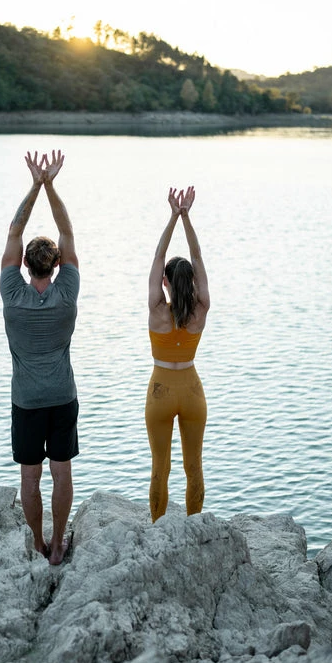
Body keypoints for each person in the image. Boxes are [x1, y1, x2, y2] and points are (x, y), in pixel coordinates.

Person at [0, 150, 79, 565]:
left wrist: (34, 184)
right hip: (62, 396)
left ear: (23, 265)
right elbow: (67, 231)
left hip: (27, 401)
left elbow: (14, 233)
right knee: (60, 471)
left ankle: (37, 540)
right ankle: (60, 541)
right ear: (58, 265)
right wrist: (52, 186)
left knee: (30, 476)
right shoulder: (67, 296)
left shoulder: (13, 297)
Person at [146, 186, 210, 522]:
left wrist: (172, 216)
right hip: (192, 391)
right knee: (193, 467)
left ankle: (157, 528)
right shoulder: (201, 309)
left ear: (167, 283)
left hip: (160, 391)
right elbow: (197, 257)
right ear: (193, 284)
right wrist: (188, 218)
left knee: (161, 467)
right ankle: (193, 529)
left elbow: (158, 258)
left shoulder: (157, 309)